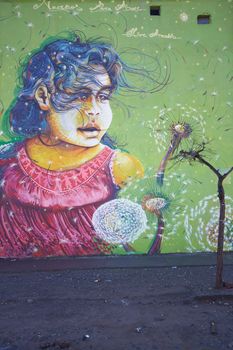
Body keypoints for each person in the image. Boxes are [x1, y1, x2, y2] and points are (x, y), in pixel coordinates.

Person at [0, 37, 145, 258]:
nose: (94, 110)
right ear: (43, 96)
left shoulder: (120, 168)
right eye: (80, 96)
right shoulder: (7, 162)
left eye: (103, 96)